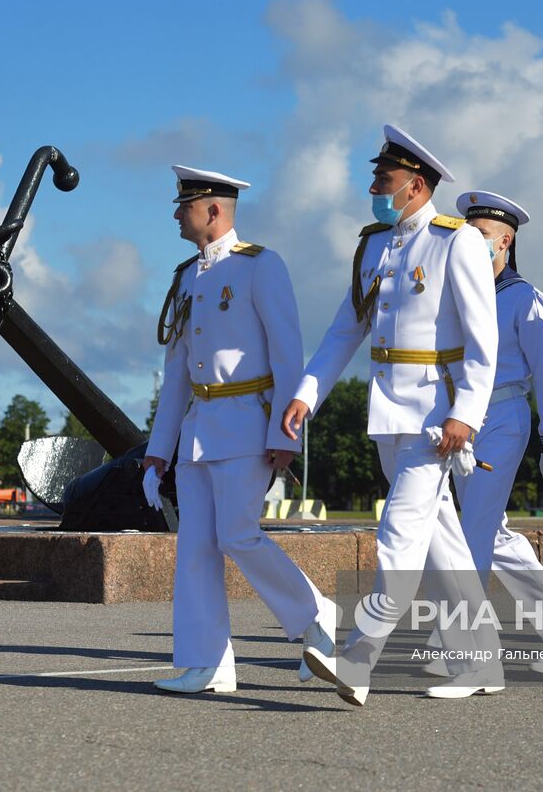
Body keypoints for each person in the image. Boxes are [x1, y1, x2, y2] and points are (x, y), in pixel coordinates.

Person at [283, 124, 502, 705]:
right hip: (388, 415)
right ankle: (483, 663)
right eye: (376, 178)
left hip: (436, 418)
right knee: (441, 544)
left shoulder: (458, 242)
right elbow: (343, 330)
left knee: (399, 536)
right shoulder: (375, 245)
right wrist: (309, 393)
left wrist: (468, 413)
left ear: (416, 185)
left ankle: (359, 658)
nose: (374, 189)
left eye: (384, 180)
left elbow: (484, 341)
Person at [145, 164, 337, 696]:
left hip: (248, 423)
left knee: (237, 534)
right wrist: (159, 451)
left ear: (213, 209)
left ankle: (315, 613)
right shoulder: (187, 276)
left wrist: (285, 433)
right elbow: (177, 371)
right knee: (197, 548)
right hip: (199, 428)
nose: (176, 214)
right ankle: (208, 663)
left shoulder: (260, 266)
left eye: (185, 205)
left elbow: (287, 353)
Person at [418, 190, 543, 673]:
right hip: (460, 420)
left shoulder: (525, 298)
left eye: (481, 235)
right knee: (492, 530)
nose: (471, 241)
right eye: (467, 232)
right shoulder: (455, 294)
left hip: (503, 418)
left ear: (506, 242)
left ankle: (465, 646)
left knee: (474, 528)